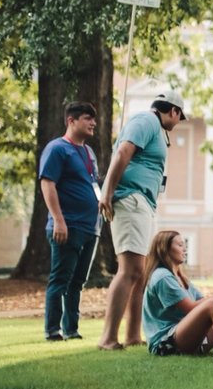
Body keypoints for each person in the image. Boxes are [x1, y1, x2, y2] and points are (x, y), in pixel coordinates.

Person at [97, 89, 187, 351]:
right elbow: (123, 152)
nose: (178, 123)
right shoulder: (146, 121)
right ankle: (108, 337)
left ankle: (133, 334)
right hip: (131, 199)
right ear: (173, 111)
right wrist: (108, 191)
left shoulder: (157, 129)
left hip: (144, 203)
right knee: (129, 270)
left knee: (141, 272)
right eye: (179, 117)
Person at [39, 101, 102, 342]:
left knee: (77, 282)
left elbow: (93, 185)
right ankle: (53, 330)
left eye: (94, 119)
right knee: (60, 280)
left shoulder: (89, 153)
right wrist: (58, 220)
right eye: (88, 118)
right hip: (68, 226)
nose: (93, 123)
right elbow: (48, 183)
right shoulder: (57, 149)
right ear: (71, 121)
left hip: (91, 227)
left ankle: (72, 329)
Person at [141, 230, 213, 355]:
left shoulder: (180, 277)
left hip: (181, 336)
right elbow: (191, 308)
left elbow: (200, 302)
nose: (185, 249)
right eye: (180, 245)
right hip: (164, 343)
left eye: (185, 245)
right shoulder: (162, 277)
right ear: (164, 249)